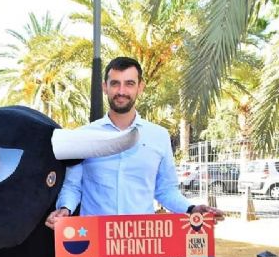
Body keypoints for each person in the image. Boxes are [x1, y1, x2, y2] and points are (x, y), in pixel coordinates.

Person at [45, 56, 223, 228]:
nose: (121, 91)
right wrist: (64, 209)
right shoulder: (84, 136)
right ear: (104, 87)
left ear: (140, 87)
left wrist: (191, 209)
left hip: (140, 244)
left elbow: (165, 190)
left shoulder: (158, 136)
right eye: (115, 83)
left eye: (129, 83)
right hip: (93, 244)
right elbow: (73, 186)